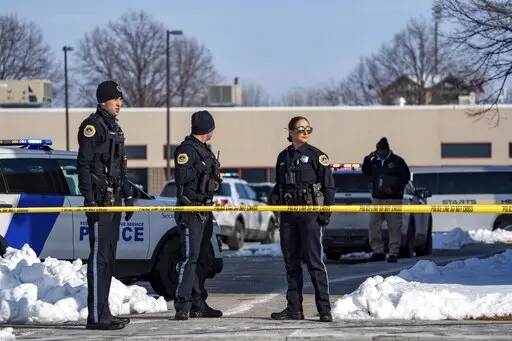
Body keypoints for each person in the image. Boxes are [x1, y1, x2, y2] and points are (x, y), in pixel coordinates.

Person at [77, 80, 134, 330]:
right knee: (99, 258)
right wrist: (89, 199)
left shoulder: (113, 127)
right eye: (114, 100)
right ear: (103, 101)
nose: (119, 103)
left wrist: (128, 195)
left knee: (108, 258)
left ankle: (104, 311)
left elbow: (119, 168)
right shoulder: (92, 127)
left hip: (114, 200)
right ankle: (96, 317)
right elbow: (84, 165)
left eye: (120, 100)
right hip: (100, 202)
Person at [269, 116, 336, 323]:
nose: (305, 132)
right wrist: (273, 198)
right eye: (301, 129)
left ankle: (324, 309)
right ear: (290, 132)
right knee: (291, 263)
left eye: (308, 129)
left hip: (309, 215)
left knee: (315, 263)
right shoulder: (283, 157)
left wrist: (325, 213)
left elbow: (329, 187)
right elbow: (279, 185)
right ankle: (294, 309)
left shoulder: (317, 156)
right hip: (288, 215)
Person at [173, 110, 223, 321]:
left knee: (202, 259)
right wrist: (202, 166)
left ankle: (198, 303)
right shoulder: (186, 150)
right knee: (189, 258)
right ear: (208, 129)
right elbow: (181, 177)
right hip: (190, 211)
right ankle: (182, 305)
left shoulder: (205, 151)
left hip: (204, 209)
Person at [361, 137, 411, 263]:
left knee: (394, 226)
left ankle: (393, 253)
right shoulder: (375, 162)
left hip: (393, 199)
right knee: (374, 225)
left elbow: (405, 176)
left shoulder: (397, 161)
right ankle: (378, 251)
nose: (380, 153)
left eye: (382, 150)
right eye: (378, 151)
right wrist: (367, 159)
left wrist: (394, 188)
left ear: (387, 150)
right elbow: (366, 173)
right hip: (378, 198)